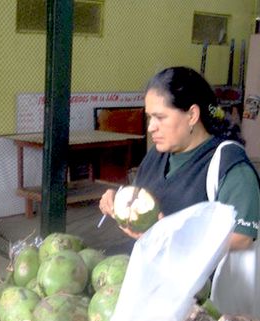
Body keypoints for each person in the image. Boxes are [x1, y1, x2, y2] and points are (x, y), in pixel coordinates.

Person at [99, 66, 260, 316]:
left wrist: (171, 236)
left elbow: (242, 236)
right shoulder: (156, 156)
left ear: (192, 115)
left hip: (201, 304)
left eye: (160, 117)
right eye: (149, 117)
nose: (151, 127)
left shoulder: (229, 166)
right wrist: (119, 201)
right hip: (153, 291)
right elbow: (143, 205)